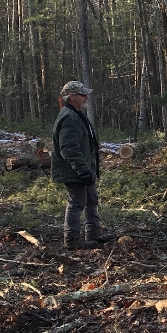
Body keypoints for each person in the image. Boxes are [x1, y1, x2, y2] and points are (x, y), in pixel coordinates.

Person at [51, 80, 108, 247]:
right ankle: (72, 240)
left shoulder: (76, 114)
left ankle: (94, 235)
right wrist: (82, 170)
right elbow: (68, 149)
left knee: (91, 199)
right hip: (73, 171)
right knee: (77, 203)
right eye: (83, 95)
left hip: (84, 169)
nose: (86, 97)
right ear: (72, 96)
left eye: (86, 94)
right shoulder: (69, 117)